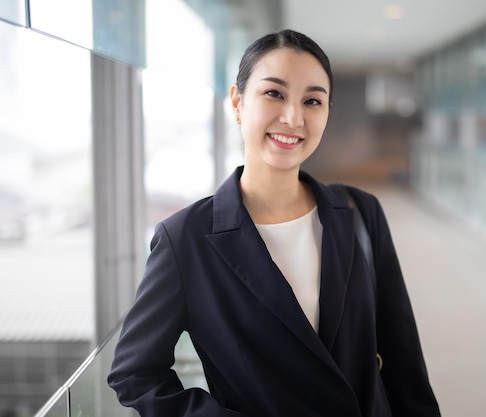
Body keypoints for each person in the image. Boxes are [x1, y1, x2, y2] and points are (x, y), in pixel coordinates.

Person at [108, 29, 440, 417]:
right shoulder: (186, 240)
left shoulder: (361, 213)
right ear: (236, 102)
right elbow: (135, 373)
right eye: (274, 93)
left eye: (312, 101)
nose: (293, 117)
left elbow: (404, 365)